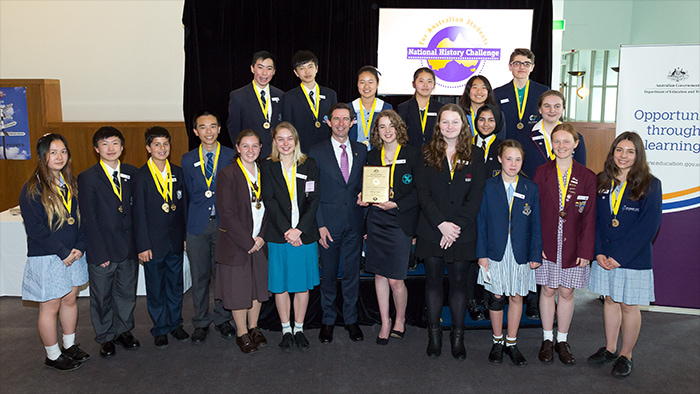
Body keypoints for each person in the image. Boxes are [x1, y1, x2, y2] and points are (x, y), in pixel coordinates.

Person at [587, 131, 662, 378]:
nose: (624, 155)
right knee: (609, 300)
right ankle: (610, 348)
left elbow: (648, 227)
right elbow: (595, 221)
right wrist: (598, 252)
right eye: (620, 150)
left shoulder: (651, 184)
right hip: (604, 257)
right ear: (613, 152)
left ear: (638, 155)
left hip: (632, 258)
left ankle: (626, 354)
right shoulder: (602, 181)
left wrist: (620, 256)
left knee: (629, 305)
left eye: (630, 151)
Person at [415, 104, 486, 360]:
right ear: (438, 125)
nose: (449, 127)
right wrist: (441, 224)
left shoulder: (476, 155)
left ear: (463, 125)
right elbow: (422, 194)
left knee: (459, 285)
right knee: (433, 283)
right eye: (445, 122)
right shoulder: (426, 153)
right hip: (432, 230)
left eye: (454, 122)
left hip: (462, 232)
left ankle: (458, 337)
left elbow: (475, 196)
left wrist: (455, 226)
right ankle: (434, 336)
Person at [20, 133, 90, 371]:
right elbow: (36, 230)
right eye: (53, 152)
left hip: (74, 255)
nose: (59, 157)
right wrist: (63, 252)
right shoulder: (32, 188)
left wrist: (80, 246)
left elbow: (81, 220)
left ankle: (69, 345)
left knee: (70, 299)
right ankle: (52, 355)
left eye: (63, 151)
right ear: (43, 157)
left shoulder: (71, 183)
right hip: (49, 257)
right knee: (50, 306)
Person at [533, 123, 596, 366]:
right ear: (551, 143)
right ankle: (547, 339)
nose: (561, 146)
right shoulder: (541, 172)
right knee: (548, 290)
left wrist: (585, 251)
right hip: (547, 244)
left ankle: (562, 340)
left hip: (574, 245)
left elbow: (590, 217)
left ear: (575, 144)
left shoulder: (588, 176)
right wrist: (535, 244)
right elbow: (535, 213)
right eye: (556, 141)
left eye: (566, 141)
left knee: (567, 292)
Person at [477, 139, 542, 366]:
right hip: (495, 252)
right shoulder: (488, 187)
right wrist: (481, 254)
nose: (513, 164)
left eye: (518, 159)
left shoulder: (530, 188)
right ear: (499, 159)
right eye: (508, 158)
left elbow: (536, 225)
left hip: (521, 253)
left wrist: (535, 255)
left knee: (516, 296)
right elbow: (481, 222)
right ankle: (497, 341)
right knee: (496, 296)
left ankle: (511, 343)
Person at [357, 110, 421, 345]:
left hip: (399, 221)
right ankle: (385, 321)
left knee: (396, 279)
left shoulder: (413, 154)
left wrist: (396, 203)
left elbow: (419, 192)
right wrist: (364, 195)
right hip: (376, 220)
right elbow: (369, 185)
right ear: (377, 131)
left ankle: (400, 319)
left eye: (391, 125)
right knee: (379, 274)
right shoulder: (373, 155)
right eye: (382, 126)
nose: (387, 130)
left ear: (399, 128)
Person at [78, 127, 140, 358]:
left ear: (122, 147)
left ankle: (123, 330)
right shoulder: (87, 177)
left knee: (126, 294)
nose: (111, 148)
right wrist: (98, 252)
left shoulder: (132, 174)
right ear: (96, 149)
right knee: (102, 296)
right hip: (102, 250)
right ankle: (105, 336)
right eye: (105, 144)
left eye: (115, 143)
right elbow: (89, 218)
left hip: (128, 248)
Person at [308, 103, 368, 344]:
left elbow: (367, 183)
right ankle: (328, 320)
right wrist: (319, 224)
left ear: (353, 122)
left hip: (354, 224)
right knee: (330, 275)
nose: (341, 123)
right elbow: (312, 193)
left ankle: (352, 320)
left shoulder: (362, 150)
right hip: (327, 227)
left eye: (346, 119)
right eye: (336, 119)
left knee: (352, 274)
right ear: (329, 122)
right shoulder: (316, 151)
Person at [261, 122, 321, 353]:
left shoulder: (310, 164)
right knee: (281, 286)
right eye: (280, 139)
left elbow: (314, 199)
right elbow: (269, 200)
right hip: (279, 235)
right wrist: (288, 230)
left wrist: (300, 230)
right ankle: (286, 329)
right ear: (275, 142)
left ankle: (299, 328)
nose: (285, 144)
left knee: (302, 286)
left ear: (296, 141)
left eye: (289, 139)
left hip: (304, 236)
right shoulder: (268, 167)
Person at [181, 111, 236, 344]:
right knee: (199, 276)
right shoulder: (187, 159)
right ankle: (201, 322)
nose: (209, 131)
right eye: (203, 127)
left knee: (223, 276)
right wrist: (184, 232)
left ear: (219, 129)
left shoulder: (233, 155)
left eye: (213, 126)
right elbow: (183, 198)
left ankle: (223, 319)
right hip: (197, 227)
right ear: (195, 131)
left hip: (225, 227)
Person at [133, 126, 189, 349]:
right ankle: (160, 328)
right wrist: (142, 244)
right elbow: (138, 214)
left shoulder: (178, 172)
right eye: (157, 144)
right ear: (148, 148)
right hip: (152, 245)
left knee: (176, 285)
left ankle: (175, 323)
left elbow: (183, 207)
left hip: (175, 241)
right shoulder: (140, 176)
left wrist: (184, 237)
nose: (162, 148)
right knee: (156, 288)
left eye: (166, 144)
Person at [214, 129, 269, 354]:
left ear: (260, 148)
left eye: (255, 146)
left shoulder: (264, 172)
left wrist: (262, 237)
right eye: (245, 146)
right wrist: (248, 242)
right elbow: (226, 213)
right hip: (237, 243)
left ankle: (254, 327)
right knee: (238, 290)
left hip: (260, 241)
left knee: (256, 287)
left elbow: (271, 208)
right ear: (237, 148)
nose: (250, 150)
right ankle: (241, 332)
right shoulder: (228, 174)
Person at [227, 51, 284, 158]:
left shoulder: (281, 95)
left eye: (269, 68)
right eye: (260, 67)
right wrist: (241, 153)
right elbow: (234, 129)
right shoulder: (238, 96)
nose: (264, 73)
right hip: (250, 155)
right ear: (252, 68)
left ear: (274, 71)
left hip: (275, 156)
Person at [518, 90, 586, 178]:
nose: (552, 110)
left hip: (566, 189)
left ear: (563, 109)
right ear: (539, 109)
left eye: (557, 106)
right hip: (534, 188)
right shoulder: (524, 136)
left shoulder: (575, 137)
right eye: (547, 106)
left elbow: (581, 171)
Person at [282, 50, 338, 152]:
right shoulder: (289, 97)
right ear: (296, 73)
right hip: (301, 151)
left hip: (327, 150)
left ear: (316, 68)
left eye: (310, 66)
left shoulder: (330, 95)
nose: (307, 72)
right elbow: (288, 128)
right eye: (302, 68)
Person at [494, 48, 549, 139]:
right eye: (517, 63)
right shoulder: (498, 93)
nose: (521, 67)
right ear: (510, 66)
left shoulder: (543, 91)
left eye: (526, 64)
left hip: (534, 144)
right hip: (506, 144)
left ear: (532, 67)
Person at [398, 67, 444, 148]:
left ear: (434, 85)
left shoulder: (441, 108)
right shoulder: (403, 108)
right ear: (413, 84)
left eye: (429, 81)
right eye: (421, 81)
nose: (425, 85)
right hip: (410, 155)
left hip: (435, 155)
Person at [349, 66, 393, 149]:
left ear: (377, 83)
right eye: (362, 82)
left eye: (370, 82)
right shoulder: (349, 108)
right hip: (354, 156)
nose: (366, 86)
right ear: (357, 84)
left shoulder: (386, 108)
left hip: (379, 156)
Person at [458, 75, 505, 141]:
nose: (479, 91)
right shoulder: (459, 115)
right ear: (468, 91)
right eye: (475, 87)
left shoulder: (498, 115)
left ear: (488, 92)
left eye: (483, 88)